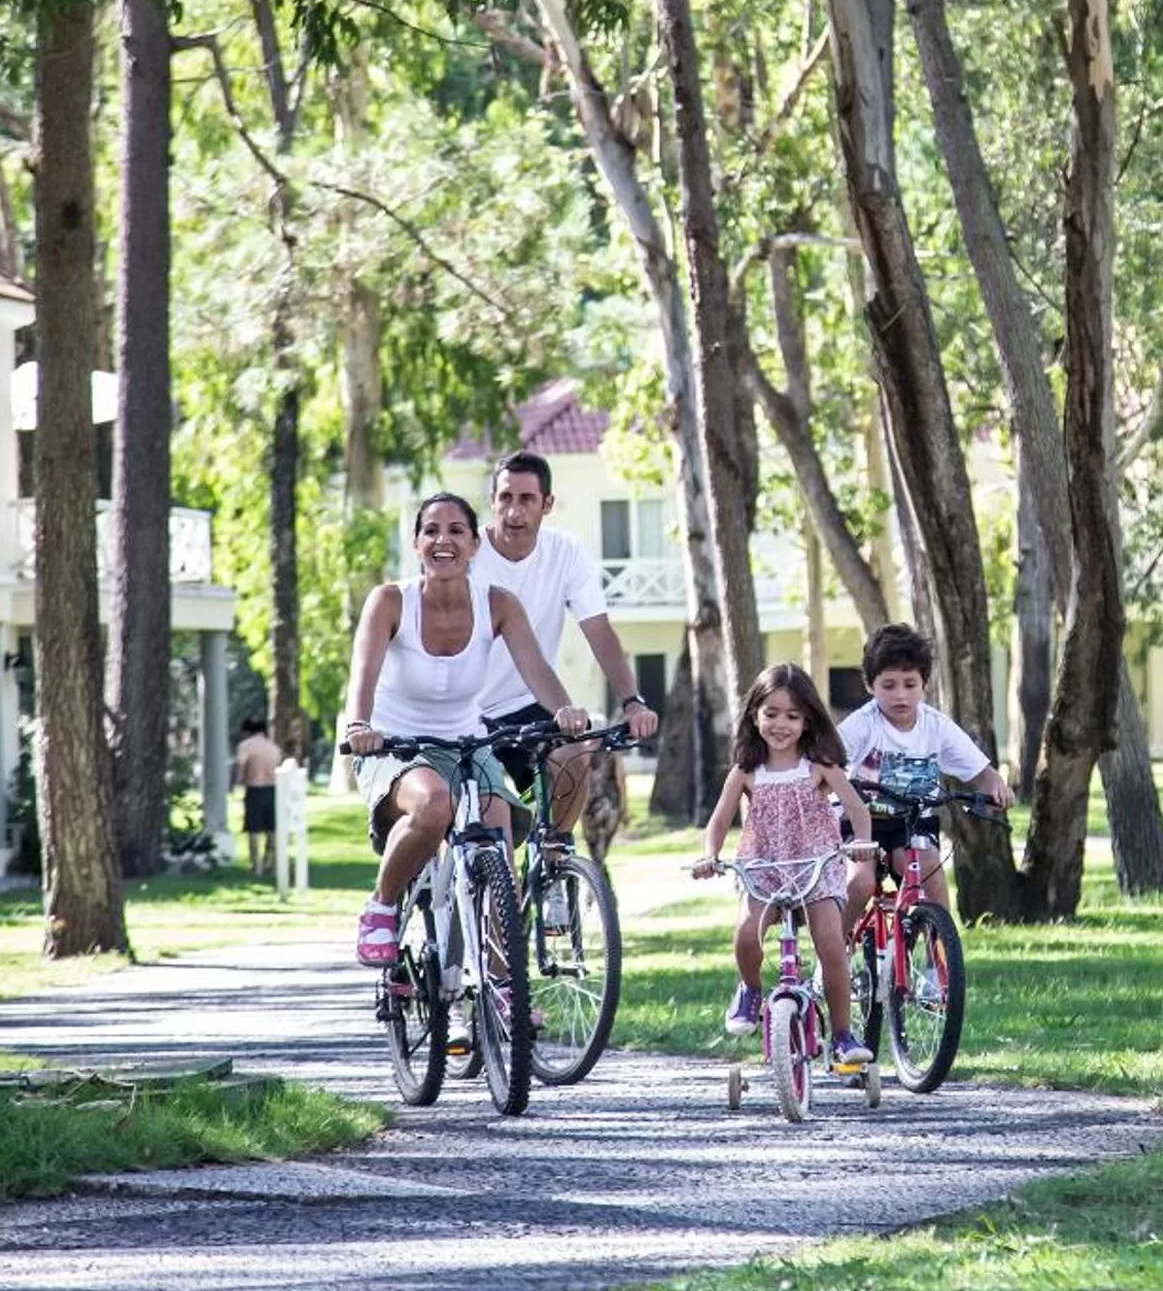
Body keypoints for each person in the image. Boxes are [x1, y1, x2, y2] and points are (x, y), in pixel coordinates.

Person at [340, 491, 590, 971]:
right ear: (416, 543)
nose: (444, 540)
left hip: (466, 744)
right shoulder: (390, 601)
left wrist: (564, 711)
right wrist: (359, 726)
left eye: (457, 531)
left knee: (498, 853)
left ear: (475, 544)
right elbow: (363, 672)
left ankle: (503, 989)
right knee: (435, 805)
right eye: (431, 530)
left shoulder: (498, 604)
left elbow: (535, 668)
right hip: (397, 745)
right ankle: (382, 905)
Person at [469, 452, 659, 855]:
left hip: (526, 701)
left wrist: (632, 701)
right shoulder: (469, 554)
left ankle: (552, 860)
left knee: (573, 755)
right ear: (491, 500)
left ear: (548, 504)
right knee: (490, 827)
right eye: (505, 498)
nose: (514, 511)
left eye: (526, 499)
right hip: (466, 709)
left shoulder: (566, 552)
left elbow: (598, 630)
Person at [692, 665, 875, 1070]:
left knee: (831, 944)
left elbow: (856, 808)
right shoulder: (746, 770)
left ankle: (842, 1034)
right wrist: (710, 854)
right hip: (764, 866)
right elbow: (719, 820)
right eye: (771, 713)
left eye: (793, 716)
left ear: (807, 720)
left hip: (815, 865)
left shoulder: (819, 764)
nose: (780, 724)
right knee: (746, 933)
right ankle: (750, 989)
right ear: (754, 714)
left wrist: (861, 842)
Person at [838, 623, 1013, 931]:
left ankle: (941, 949)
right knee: (861, 882)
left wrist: (995, 786)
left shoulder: (936, 726)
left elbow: (979, 771)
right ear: (869, 685)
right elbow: (826, 766)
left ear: (925, 684)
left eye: (910, 684)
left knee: (928, 868)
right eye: (889, 685)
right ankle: (834, 947)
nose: (900, 695)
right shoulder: (862, 725)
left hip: (913, 821)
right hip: (862, 823)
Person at [230, 717, 283, 877]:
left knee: (253, 829)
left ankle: (256, 865)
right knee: (272, 829)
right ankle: (270, 861)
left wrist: (237, 783)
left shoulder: (245, 746)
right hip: (272, 790)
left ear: (247, 731)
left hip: (254, 790)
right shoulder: (273, 748)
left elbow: (241, 765)